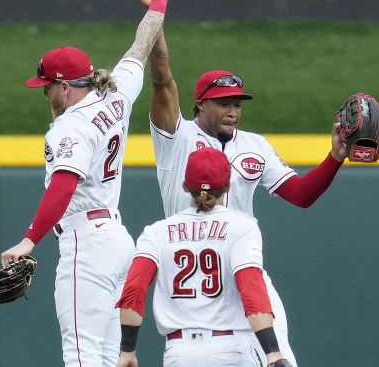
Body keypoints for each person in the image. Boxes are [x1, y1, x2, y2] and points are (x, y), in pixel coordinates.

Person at [132, 0, 347, 367]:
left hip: (244, 266)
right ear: (201, 105)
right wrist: (156, 14)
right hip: (197, 280)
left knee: (281, 361)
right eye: (224, 102)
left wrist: (335, 156)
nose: (233, 110)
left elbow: (299, 195)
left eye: (237, 103)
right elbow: (161, 79)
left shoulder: (255, 146)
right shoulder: (176, 138)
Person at [0, 0, 170, 367]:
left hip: (85, 245)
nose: (44, 93)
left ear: (63, 87)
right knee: (112, 357)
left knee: (83, 356)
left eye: (47, 86)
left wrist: (28, 240)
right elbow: (141, 45)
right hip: (117, 241)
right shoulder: (114, 93)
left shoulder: (69, 128)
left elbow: (64, 185)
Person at [115, 148, 293, 367]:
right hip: (231, 349)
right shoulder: (242, 227)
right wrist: (272, 352)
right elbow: (251, 288)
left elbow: (134, 290)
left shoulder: (156, 232)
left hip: (179, 354)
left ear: (185, 186)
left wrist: (127, 351)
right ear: (228, 187)